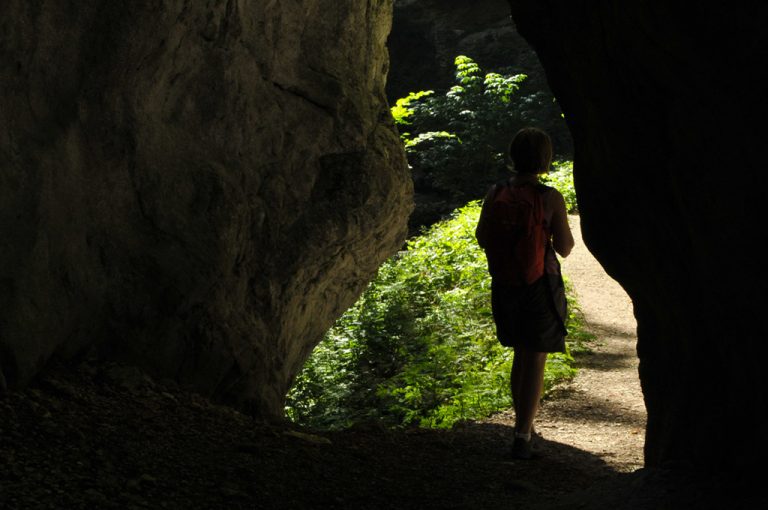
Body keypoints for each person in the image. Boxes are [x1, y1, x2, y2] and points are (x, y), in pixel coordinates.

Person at [475, 127, 575, 459]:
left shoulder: (495, 192)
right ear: (545, 159)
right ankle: (522, 435)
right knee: (535, 358)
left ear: (513, 156)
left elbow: (481, 237)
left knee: (520, 354)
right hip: (538, 286)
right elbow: (565, 248)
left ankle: (523, 427)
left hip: (504, 284)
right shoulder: (549, 197)